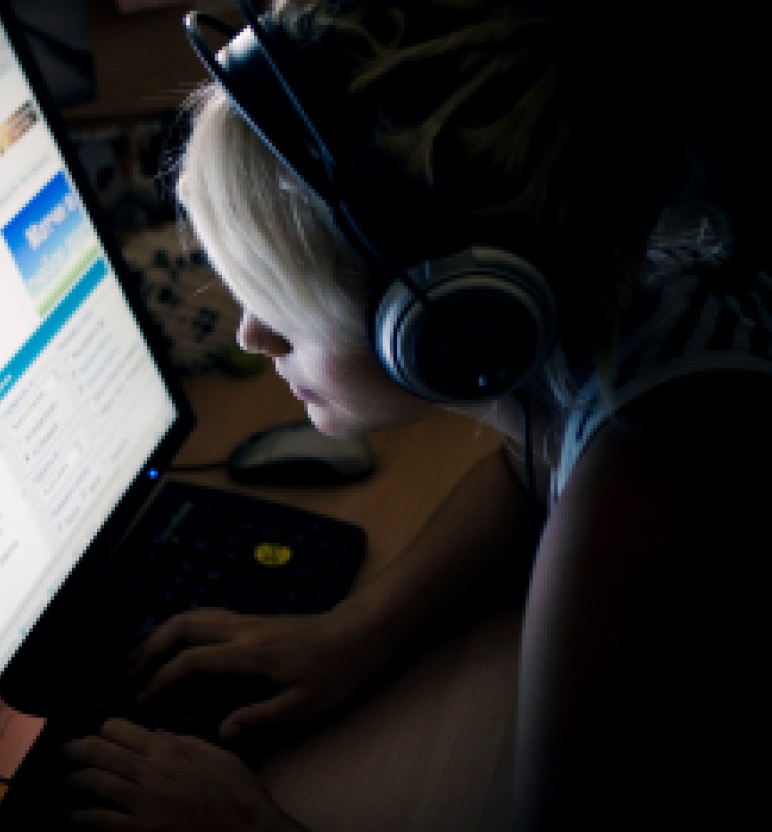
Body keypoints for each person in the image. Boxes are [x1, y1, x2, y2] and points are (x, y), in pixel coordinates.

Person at [63, 1, 771, 830]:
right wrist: (357, 629)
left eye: (282, 299)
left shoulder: (645, 472)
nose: (254, 336)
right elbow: (525, 471)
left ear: (442, 316)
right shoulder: (638, 278)